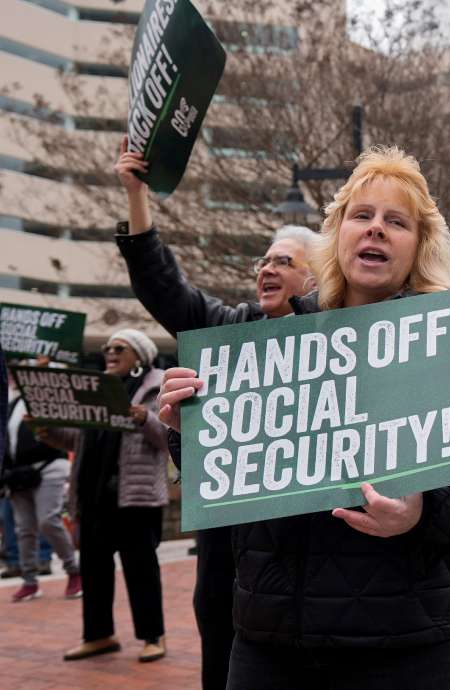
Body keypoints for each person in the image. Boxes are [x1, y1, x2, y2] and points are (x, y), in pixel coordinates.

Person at [156, 146, 450, 689]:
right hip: (272, 642)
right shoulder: (271, 346)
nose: (376, 229)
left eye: (396, 221)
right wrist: (184, 429)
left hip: (406, 644)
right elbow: (230, 479)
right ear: (338, 237)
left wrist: (423, 510)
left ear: (419, 246)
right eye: (363, 216)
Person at [113, 139, 317, 690]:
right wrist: (136, 195)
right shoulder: (231, 328)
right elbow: (163, 286)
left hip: (308, 552)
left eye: (285, 261)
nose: (267, 269)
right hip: (231, 546)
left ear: (317, 278)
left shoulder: (343, 339)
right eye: (265, 260)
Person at [39, 330, 169, 663]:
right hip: (93, 497)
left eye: (118, 349)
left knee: (141, 570)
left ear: (139, 356)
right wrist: (48, 431)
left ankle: (153, 636)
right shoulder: (95, 389)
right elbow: (77, 439)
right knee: (94, 570)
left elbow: (171, 439)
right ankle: (99, 635)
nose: (109, 353)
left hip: (135, 499)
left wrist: (145, 418)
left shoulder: (157, 386)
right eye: (107, 349)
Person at [5, 358, 83, 603]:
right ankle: (29, 581)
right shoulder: (14, 403)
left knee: (48, 520)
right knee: (23, 528)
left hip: (49, 466)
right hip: (18, 474)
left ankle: (73, 571)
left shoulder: (51, 400)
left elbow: (66, 433)